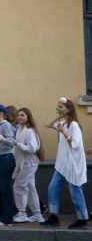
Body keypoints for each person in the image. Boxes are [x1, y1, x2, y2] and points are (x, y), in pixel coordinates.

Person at [41, 98, 88, 230]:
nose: (58, 109)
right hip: (62, 163)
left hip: (73, 164)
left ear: (68, 108)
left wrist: (64, 132)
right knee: (53, 187)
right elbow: (49, 125)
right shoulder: (63, 123)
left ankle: (82, 219)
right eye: (57, 107)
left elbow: (74, 144)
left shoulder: (74, 126)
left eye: (61, 107)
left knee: (75, 192)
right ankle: (53, 216)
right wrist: (59, 117)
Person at [12, 107, 44, 223]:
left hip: (28, 163)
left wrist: (19, 145)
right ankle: (37, 214)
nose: (19, 117)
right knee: (30, 188)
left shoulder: (30, 131)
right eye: (18, 115)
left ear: (28, 117)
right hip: (24, 163)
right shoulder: (19, 129)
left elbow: (33, 148)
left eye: (22, 115)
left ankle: (22, 213)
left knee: (19, 186)